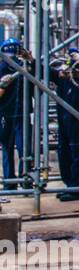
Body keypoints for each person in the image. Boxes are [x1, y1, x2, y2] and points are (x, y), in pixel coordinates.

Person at [53, 47, 79, 201]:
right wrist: (32, 61)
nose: (70, 59)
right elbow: (48, 73)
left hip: (77, 119)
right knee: (64, 151)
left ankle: (76, 187)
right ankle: (69, 184)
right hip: (64, 118)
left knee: (78, 151)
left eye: (74, 56)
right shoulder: (65, 78)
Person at [0, 38, 25, 182]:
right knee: (15, 148)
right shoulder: (23, 67)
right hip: (9, 113)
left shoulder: (24, 67)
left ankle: (16, 180)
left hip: (18, 112)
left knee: (15, 148)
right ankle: (21, 179)